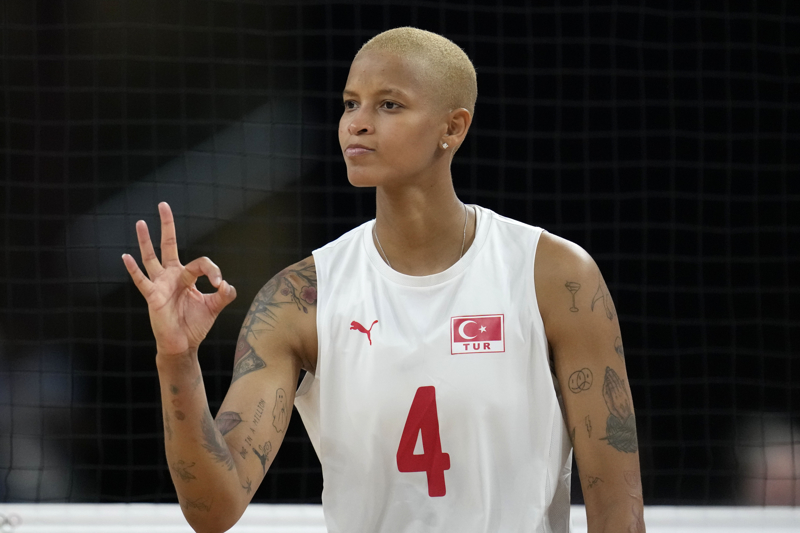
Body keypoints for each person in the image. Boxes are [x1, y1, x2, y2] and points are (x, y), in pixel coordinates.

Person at [123, 27, 645, 533]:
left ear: (453, 127)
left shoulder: (554, 277)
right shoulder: (299, 299)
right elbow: (213, 510)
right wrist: (177, 357)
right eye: (351, 103)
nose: (357, 123)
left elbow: (617, 515)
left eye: (389, 104)